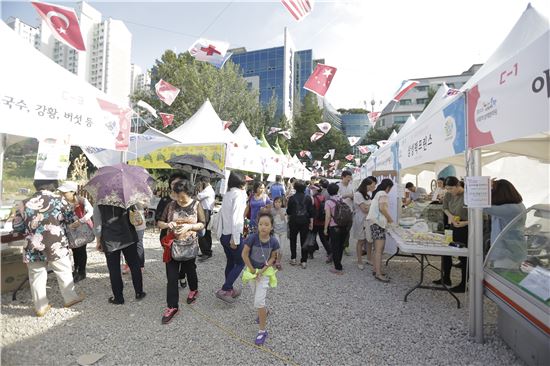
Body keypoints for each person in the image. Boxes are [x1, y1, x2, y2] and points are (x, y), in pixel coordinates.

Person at [14, 179, 83, 316]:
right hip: (56, 242)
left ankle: (40, 307)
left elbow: (18, 227)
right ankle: (70, 298)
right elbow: (72, 220)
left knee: (36, 275)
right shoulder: (60, 200)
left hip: (33, 244)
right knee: (63, 270)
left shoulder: (23, 203)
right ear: (53, 186)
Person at [157, 180, 205, 324]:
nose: (179, 199)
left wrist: (189, 227)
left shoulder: (196, 205)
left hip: (189, 245)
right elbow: (159, 222)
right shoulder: (170, 205)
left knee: (190, 269)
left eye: (182, 196)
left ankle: (194, 289)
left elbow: (203, 224)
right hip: (172, 246)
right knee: (172, 278)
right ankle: (172, 306)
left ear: (189, 194)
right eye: (177, 196)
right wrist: (167, 224)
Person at [94, 201, 146, 305]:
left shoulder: (99, 202)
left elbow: (98, 225)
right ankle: (139, 292)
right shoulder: (127, 198)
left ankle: (118, 298)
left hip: (109, 239)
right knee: (134, 264)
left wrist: (98, 241)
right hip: (128, 236)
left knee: (114, 269)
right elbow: (137, 215)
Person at [241, 212, 280, 346]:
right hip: (252, 272)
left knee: (258, 301)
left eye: (266, 224)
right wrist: (252, 269)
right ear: (257, 225)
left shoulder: (274, 241)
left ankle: (262, 331)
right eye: (261, 224)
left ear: (271, 227)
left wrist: (262, 271)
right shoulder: (252, 238)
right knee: (257, 296)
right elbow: (244, 254)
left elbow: (273, 257)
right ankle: (264, 311)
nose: (263, 227)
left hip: (264, 273)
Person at [216, 172, 248, 303]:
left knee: (230, 261)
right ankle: (225, 288)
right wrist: (235, 238)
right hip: (232, 235)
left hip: (224, 234)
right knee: (241, 262)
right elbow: (237, 218)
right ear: (241, 182)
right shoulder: (240, 194)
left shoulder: (228, 194)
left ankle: (229, 289)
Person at [433, 176, 469, 293]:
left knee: (463, 257)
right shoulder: (448, 194)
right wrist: (451, 216)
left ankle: (464, 284)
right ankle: (446, 278)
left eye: (451, 188)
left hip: (466, 227)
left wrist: (464, 223)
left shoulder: (468, 196)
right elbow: (445, 208)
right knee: (446, 252)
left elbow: (480, 216)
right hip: (452, 226)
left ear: (458, 185)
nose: (449, 191)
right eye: (447, 188)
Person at [156, 173, 187, 288]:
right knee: (171, 261)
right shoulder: (165, 200)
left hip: (184, 236)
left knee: (184, 260)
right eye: (174, 183)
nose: (176, 186)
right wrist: (168, 224)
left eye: (179, 183)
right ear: (170, 185)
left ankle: (182, 275)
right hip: (167, 237)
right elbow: (158, 220)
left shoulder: (187, 200)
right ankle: (172, 283)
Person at [58, 181, 94, 283]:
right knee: (74, 249)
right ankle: (76, 269)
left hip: (81, 230)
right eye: (62, 192)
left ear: (73, 192)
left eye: (65, 192)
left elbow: (91, 211)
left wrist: (81, 221)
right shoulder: (61, 202)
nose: (63, 194)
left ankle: (82, 271)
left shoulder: (81, 200)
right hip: (70, 230)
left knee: (81, 250)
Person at [366, 178, 395, 282]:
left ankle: (376, 269)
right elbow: (382, 208)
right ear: (388, 187)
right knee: (379, 249)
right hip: (378, 224)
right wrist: (390, 220)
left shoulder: (377, 193)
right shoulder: (383, 193)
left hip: (374, 223)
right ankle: (378, 273)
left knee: (377, 249)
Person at [286, 180, 314, 268]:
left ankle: (293, 258)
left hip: (294, 220)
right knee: (304, 241)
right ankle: (304, 260)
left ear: (295, 188)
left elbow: (288, 211)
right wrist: (311, 223)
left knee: (293, 239)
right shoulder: (308, 198)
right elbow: (311, 212)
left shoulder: (292, 198)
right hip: (305, 221)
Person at [324, 183, 350, 275]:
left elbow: (327, 216)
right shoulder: (341, 199)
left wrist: (325, 228)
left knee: (335, 247)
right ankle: (339, 264)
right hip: (344, 225)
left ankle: (337, 267)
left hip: (334, 226)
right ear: (337, 190)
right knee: (340, 246)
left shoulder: (328, 202)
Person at [351, 178, 376, 270]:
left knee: (369, 240)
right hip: (361, 219)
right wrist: (373, 205)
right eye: (373, 185)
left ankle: (369, 258)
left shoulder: (368, 194)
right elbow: (364, 209)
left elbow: (367, 207)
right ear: (367, 185)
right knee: (361, 240)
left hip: (368, 219)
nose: (374, 187)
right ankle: (359, 261)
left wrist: (370, 206)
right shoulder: (358, 194)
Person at [311, 183, 331, 263]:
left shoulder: (313, 199)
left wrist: (310, 222)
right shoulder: (323, 197)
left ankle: (311, 253)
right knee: (323, 239)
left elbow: (311, 211)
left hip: (315, 221)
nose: (311, 190)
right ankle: (330, 252)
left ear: (316, 190)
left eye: (313, 189)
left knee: (312, 237)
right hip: (322, 221)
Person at [197, 176, 216, 261]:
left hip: (205, 212)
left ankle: (206, 252)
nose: (200, 184)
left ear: (203, 182)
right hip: (206, 212)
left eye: (201, 183)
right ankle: (207, 251)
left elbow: (198, 197)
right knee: (207, 232)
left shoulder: (208, 190)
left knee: (202, 232)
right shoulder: (209, 190)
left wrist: (200, 189)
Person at [338, 171, 354, 256]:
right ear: (343, 177)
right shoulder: (338, 186)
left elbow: (353, 197)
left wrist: (352, 197)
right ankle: (337, 246)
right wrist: (346, 195)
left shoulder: (351, 186)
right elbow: (335, 198)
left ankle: (346, 246)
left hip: (350, 211)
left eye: (350, 177)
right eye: (348, 176)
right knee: (339, 229)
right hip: (340, 212)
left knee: (347, 230)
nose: (349, 178)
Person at [270, 196, 286, 269]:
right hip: (275, 231)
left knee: (282, 249)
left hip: (283, 232)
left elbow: (285, 220)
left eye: (279, 202)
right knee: (277, 246)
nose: (277, 204)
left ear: (282, 203)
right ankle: (274, 259)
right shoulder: (271, 210)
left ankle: (278, 261)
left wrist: (280, 212)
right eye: (276, 202)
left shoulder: (284, 210)